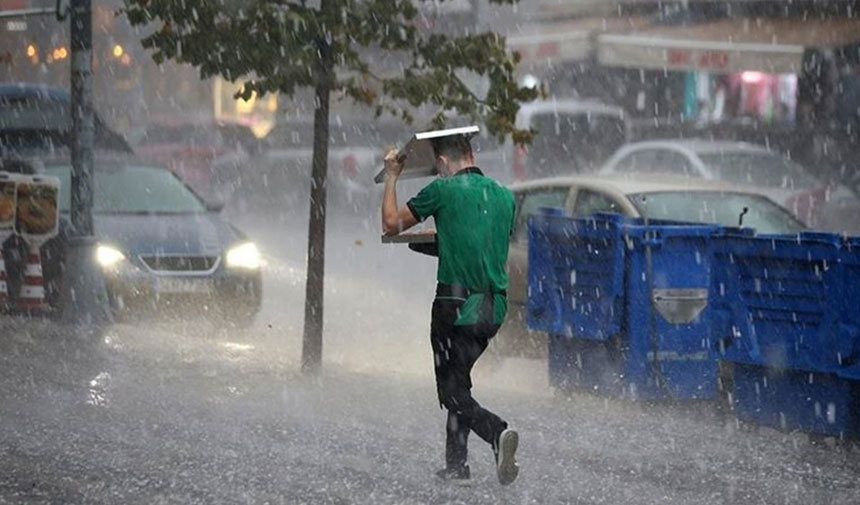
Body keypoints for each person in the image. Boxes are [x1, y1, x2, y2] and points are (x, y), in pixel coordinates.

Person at [380, 133, 519, 486]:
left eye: (438, 168)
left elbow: (391, 223)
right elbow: (480, 244)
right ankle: (457, 466)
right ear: (472, 153)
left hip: (455, 306)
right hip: (493, 309)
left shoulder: (442, 191)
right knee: (460, 382)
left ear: (442, 163)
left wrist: (393, 175)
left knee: (451, 392)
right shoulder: (504, 196)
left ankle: (495, 431)